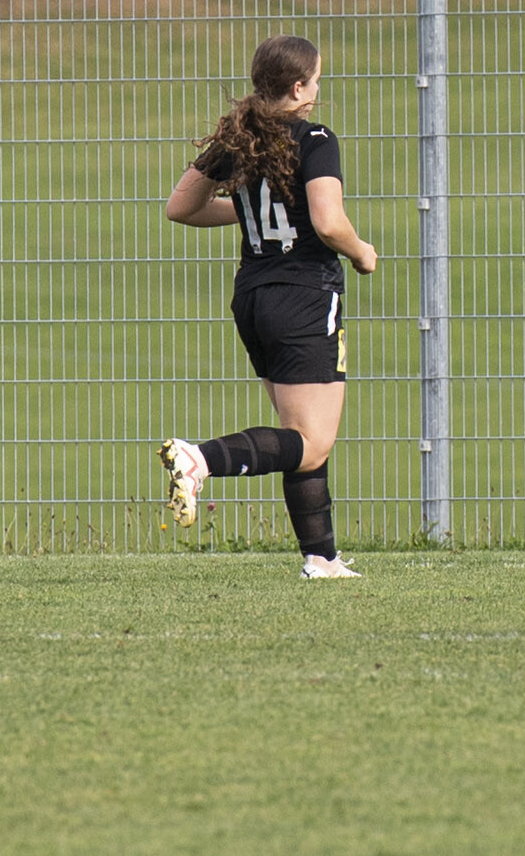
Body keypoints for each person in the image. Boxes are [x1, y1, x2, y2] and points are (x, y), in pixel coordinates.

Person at [158, 35, 378, 578]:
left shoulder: (241, 139)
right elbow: (328, 222)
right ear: (298, 87)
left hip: (253, 297)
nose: (318, 91)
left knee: (297, 435)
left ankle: (321, 558)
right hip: (304, 296)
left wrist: (251, 212)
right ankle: (200, 458)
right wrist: (361, 252)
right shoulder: (316, 139)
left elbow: (180, 207)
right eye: (316, 81)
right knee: (310, 442)